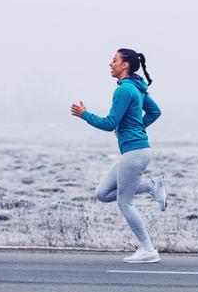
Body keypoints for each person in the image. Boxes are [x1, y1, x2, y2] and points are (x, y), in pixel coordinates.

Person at [71, 49, 167, 263]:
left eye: (114, 60)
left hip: (135, 152)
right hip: (136, 151)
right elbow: (155, 112)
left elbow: (109, 123)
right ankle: (151, 186)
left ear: (125, 65)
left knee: (124, 202)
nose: (110, 64)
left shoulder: (124, 90)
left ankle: (148, 250)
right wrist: (136, 126)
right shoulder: (136, 87)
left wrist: (84, 114)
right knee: (102, 193)